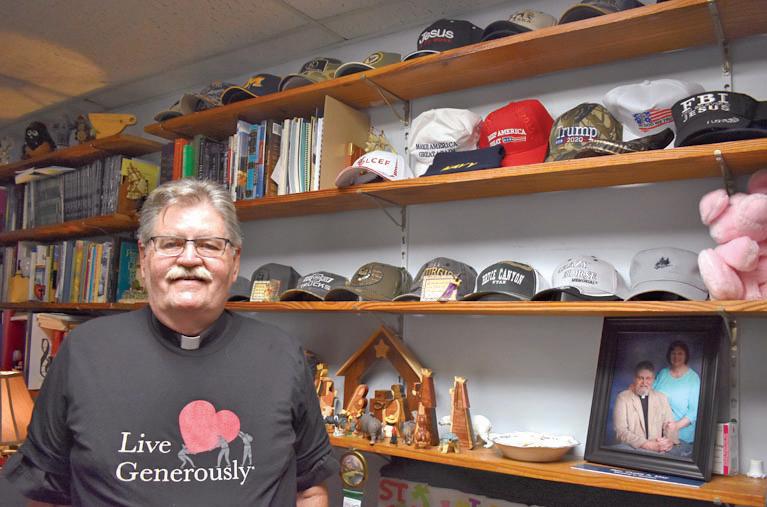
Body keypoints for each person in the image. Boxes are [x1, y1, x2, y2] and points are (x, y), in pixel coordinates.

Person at [2, 179, 337, 506]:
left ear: (235, 262)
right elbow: (45, 492)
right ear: (144, 259)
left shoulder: (282, 354)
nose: (189, 258)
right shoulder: (84, 352)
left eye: (209, 245)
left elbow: (310, 490)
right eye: (170, 243)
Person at [613, 360, 678, 453]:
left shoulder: (662, 398)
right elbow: (620, 431)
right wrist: (647, 445)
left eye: (648, 378)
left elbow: (669, 425)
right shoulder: (623, 398)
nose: (644, 382)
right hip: (632, 449)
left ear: (653, 380)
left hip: (658, 449)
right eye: (640, 378)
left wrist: (669, 441)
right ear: (635, 379)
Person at [653, 340, 701, 445]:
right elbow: (651, 392)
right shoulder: (663, 373)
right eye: (673, 353)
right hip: (658, 434)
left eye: (680, 353)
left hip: (682, 437)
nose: (676, 356)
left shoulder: (693, 378)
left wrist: (676, 426)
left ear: (686, 356)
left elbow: (694, 412)